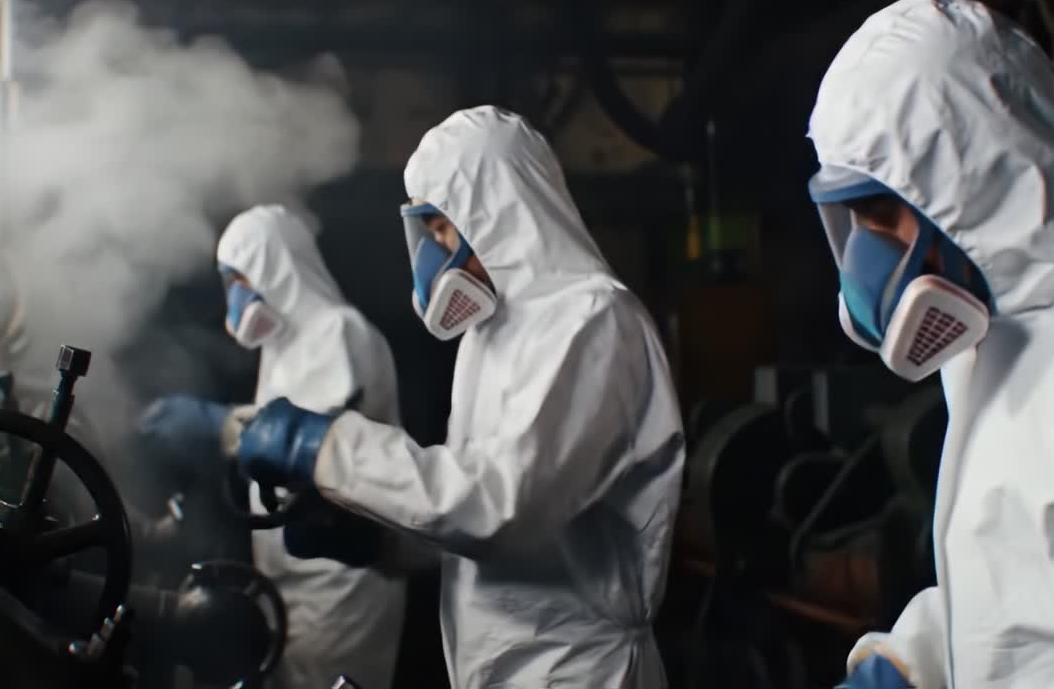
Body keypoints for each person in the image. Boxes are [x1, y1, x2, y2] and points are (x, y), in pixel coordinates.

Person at [233, 106, 686, 688]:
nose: (431, 251)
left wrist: (324, 447)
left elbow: (502, 506)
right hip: (503, 667)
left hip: (578, 671)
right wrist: (383, 541)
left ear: (493, 209)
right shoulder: (491, 335)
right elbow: (484, 530)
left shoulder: (592, 320)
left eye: (440, 226)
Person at [808, 0, 1054, 689]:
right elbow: (1022, 594)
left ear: (971, 184)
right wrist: (912, 664)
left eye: (879, 214)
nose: (865, 255)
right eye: (852, 220)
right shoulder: (1000, 332)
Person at [138, 203, 407, 689]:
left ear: (275, 268)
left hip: (337, 583)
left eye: (239, 280)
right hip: (290, 575)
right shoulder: (284, 346)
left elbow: (311, 446)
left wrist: (221, 428)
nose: (235, 298)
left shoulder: (337, 331)